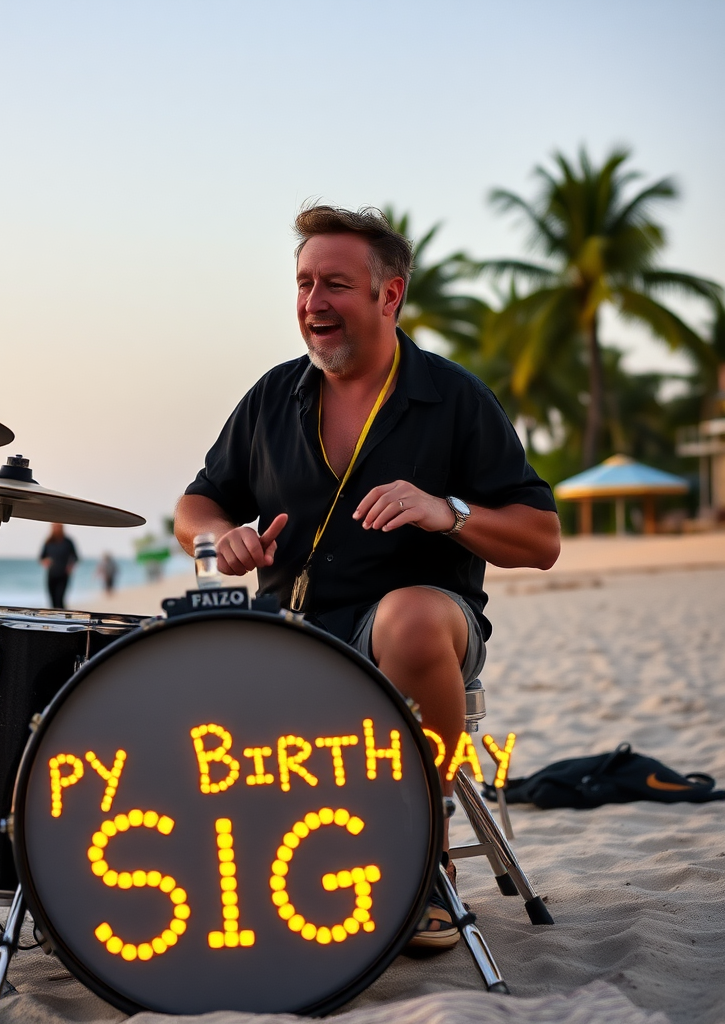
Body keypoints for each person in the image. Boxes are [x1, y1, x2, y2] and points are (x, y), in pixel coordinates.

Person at [174, 205, 560, 950]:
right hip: (286, 632)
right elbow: (196, 504)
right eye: (304, 283)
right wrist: (220, 538)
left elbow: (540, 540)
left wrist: (445, 510)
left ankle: (426, 865)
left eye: (336, 285)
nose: (313, 303)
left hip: (424, 631)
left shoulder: (455, 399)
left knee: (408, 615)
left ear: (390, 296)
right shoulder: (271, 398)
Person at [40, 523, 78, 609]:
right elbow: (42, 557)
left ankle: (62, 619)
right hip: (52, 574)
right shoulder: (48, 542)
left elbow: (75, 557)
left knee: (60, 599)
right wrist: (46, 562)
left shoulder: (68, 542)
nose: (56, 528)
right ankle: (54, 620)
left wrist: (70, 566)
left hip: (63, 574)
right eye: (54, 527)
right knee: (52, 601)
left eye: (58, 526)